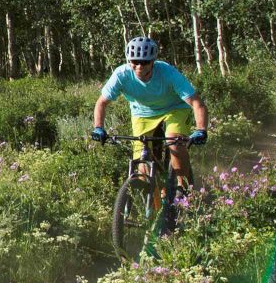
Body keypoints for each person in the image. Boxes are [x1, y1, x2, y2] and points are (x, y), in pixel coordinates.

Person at [89, 36, 209, 186]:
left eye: (145, 62)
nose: (140, 66)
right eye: (135, 62)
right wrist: (98, 127)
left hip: (175, 109)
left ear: (153, 61)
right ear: (129, 61)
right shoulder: (121, 75)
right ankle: (153, 200)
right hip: (142, 113)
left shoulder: (168, 73)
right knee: (142, 167)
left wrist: (201, 130)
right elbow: (101, 103)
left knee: (174, 144)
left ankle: (183, 189)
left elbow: (197, 103)